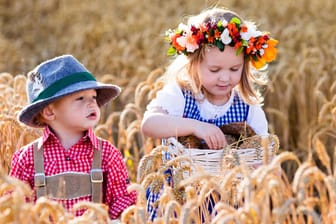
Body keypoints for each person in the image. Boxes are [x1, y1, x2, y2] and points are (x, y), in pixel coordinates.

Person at [141, 7, 278, 221]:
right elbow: (149, 124)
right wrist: (196, 126)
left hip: (228, 200)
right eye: (215, 70)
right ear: (193, 64)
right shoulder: (181, 95)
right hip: (180, 196)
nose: (225, 78)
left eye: (234, 69)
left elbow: (263, 151)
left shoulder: (247, 106)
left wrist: (261, 171)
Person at [10, 55, 136, 220]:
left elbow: (123, 204)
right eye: (80, 98)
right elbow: (15, 209)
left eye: (93, 97)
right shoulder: (27, 158)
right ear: (49, 111)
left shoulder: (107, 154)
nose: (91, 104)